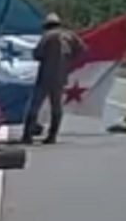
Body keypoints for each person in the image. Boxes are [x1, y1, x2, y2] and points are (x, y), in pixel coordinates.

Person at [22, 12, 87, 144]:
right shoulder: (70, 35)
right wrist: (69, 61)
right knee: (56, 106)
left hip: (46, 74)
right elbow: (82, 49)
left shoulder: (47, 36)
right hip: (61, 75)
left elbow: (37, 54)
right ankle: (52, 135)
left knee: (35, 105)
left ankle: (27, 135)